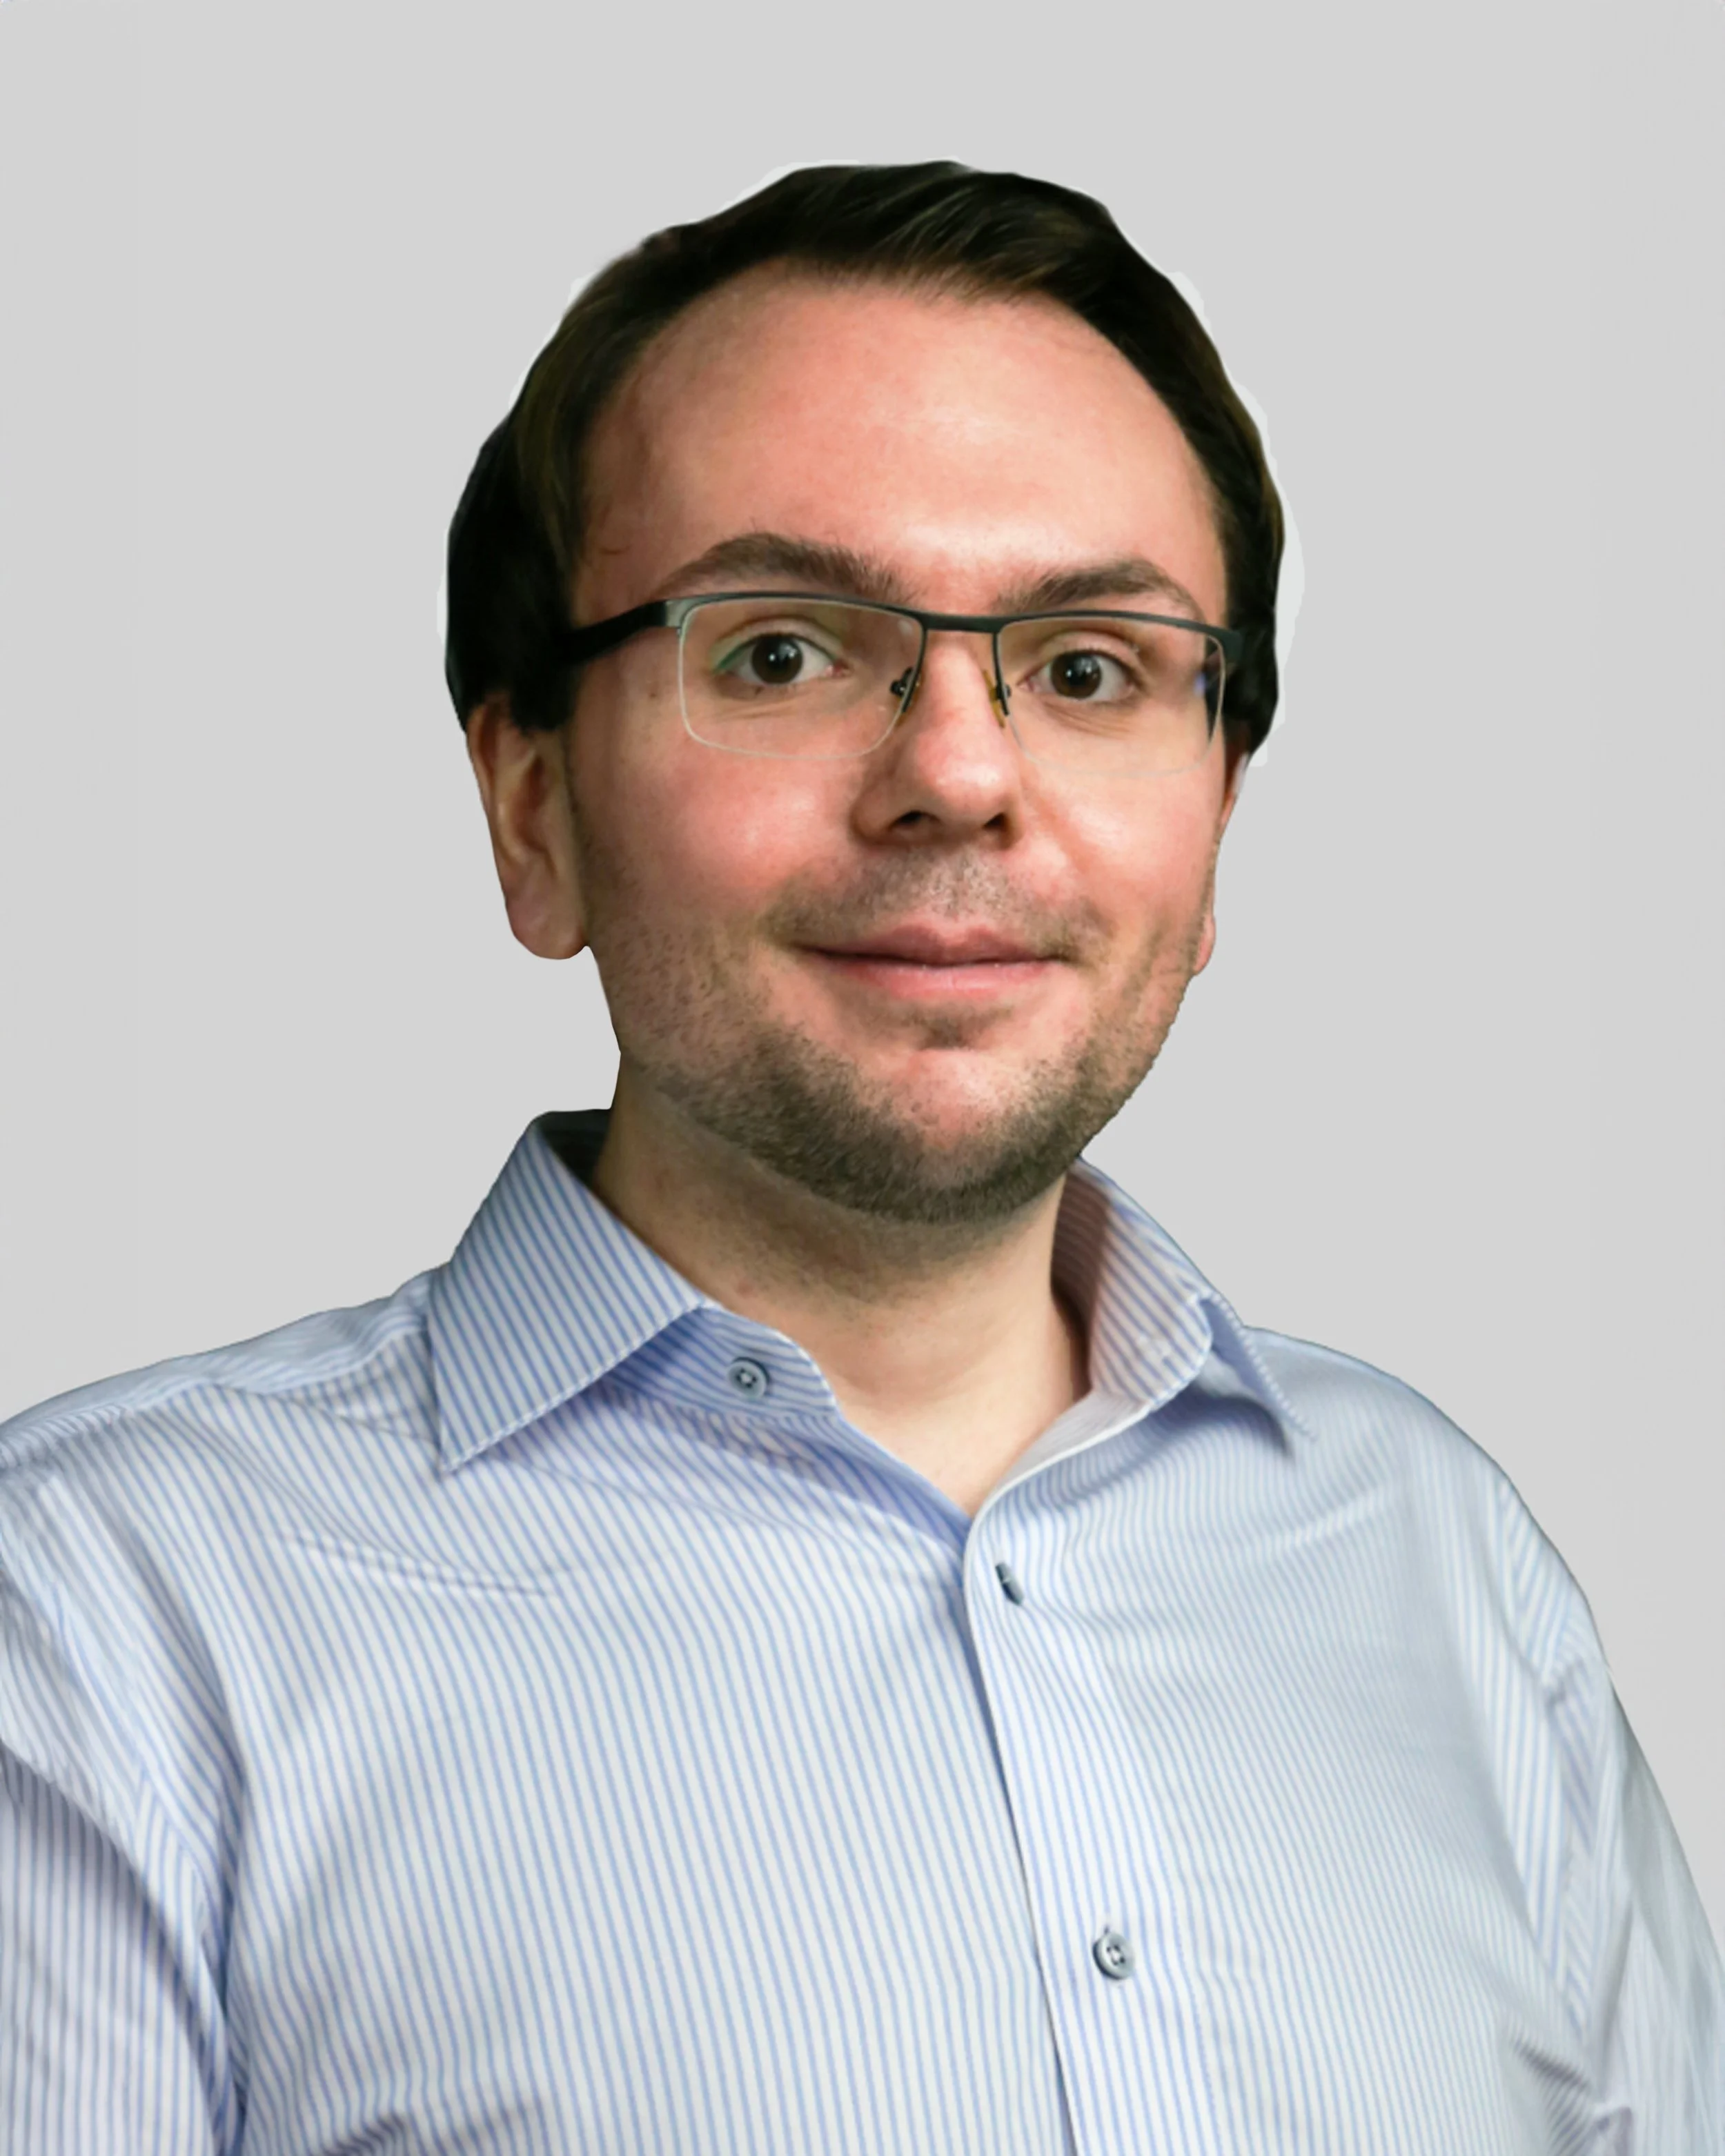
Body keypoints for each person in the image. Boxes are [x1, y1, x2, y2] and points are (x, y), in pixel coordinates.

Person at [1, 161, 1717, 2156]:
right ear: (530, 801)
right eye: (784, 652)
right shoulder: (95, 1624)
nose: (962, 776)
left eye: (1088, 669)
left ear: (1219, 811)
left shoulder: (1443, 1560)